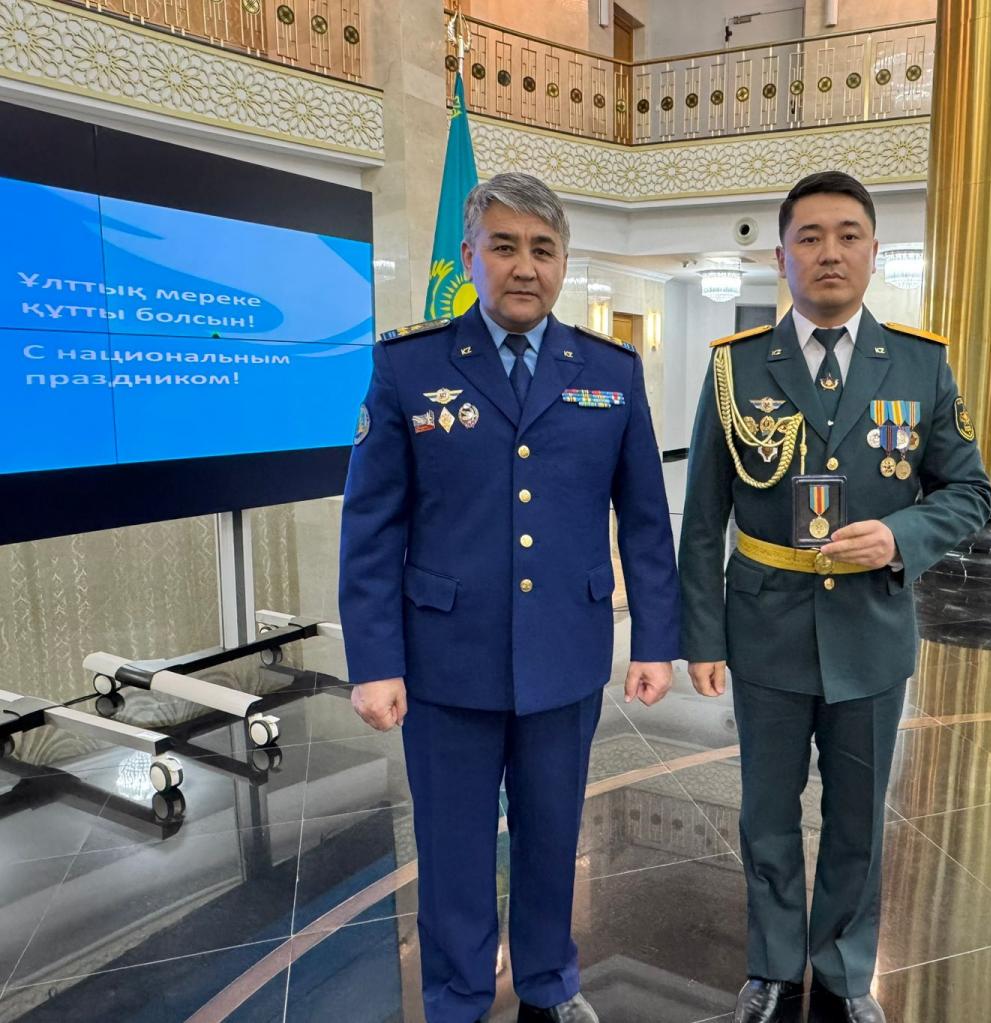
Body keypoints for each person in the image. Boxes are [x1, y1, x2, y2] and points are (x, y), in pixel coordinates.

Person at [339, 172, 680, 1023]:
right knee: (452, 842)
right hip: (445, 658)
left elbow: (645, 520)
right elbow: (372, 525)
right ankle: (457, 994)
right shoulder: (409, 365)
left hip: (566, 650)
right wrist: (374, 661)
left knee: (553, 832)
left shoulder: (610, 370)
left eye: (543, 248)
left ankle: (548, 981)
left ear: (563, 261)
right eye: (505, 246)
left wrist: (654, 640)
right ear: (470, 256)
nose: (525, 266)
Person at [678, 171, 991, 1023]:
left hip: (871, 628)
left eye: (848, 235)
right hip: (766, 626)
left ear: (874, 251)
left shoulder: (920, 364)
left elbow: (969, 492)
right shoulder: (737, 367)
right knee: (767, 814)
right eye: (809, 237)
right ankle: (774, 965)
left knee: (858, 817)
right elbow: (702, 516)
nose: (829, 252)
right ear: (780, 256)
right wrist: (701, 637)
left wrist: (901, 536)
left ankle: (847, 970)